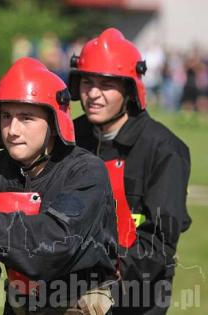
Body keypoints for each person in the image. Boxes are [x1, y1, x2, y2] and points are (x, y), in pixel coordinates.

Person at [0, 57, 119, 314]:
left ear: (55, 123)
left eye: (26, 118)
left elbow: (56, 240)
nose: (12, 130)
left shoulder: (86, 171)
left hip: (78, 305)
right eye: (6, 116)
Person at [68, 28, 191, 314]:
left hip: (134, 299)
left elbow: (160, 240)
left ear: (129, 89)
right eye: (87, 82)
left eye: (107, 84)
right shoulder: (70, 137)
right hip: (68, 293)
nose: (94, 94)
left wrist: (104, 282)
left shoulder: (164, 149)